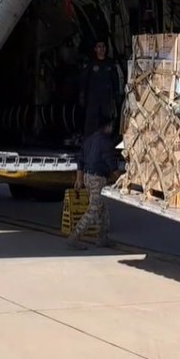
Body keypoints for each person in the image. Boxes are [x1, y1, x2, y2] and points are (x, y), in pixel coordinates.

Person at [67, 116, 116, 249]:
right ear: (108, 126)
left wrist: (79, 179)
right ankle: (74, 237)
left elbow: (80, 160)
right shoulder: (106, 142)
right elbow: (111, 163)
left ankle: (102, 238)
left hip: (88, 177)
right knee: (93, 210)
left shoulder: (88, 140)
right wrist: (118, 176)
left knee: (102, 208)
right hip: (98, 179)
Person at [79, 40, 122, 138]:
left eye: (103, 46)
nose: (101, 49)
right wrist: (82, 94)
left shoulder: (110, 63)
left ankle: (104, 144)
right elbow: (84, 80)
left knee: (106, 122)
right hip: (93, 99)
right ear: (95, 49)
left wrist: (116, 94)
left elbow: (115, 79)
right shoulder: (91, 63)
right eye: (99, 46)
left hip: (106, 99)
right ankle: (89, 143)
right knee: (91, 122)